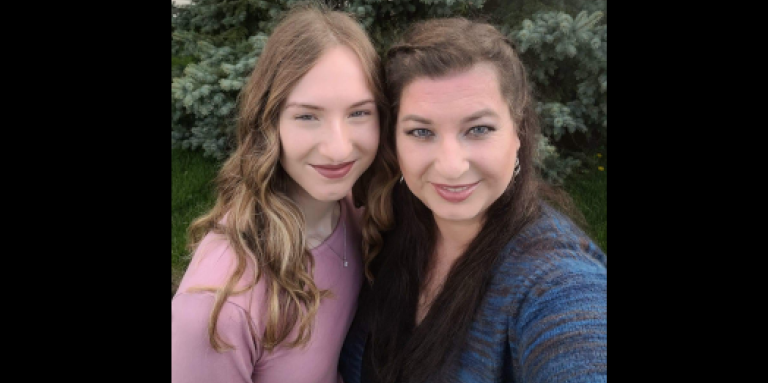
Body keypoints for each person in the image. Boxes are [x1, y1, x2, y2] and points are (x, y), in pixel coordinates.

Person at [339, 17, 607, 383]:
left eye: (478, 129)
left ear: (519, 133)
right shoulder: (390, 226)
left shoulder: (555, 282)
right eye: (421, 131)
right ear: (395, 139)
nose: (451, 166)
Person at [171, 4, 396, 383]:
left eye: (359, 113)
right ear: (268, 122)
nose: (339, 149)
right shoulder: (219, 308)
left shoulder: (352, 209)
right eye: (307, 116)